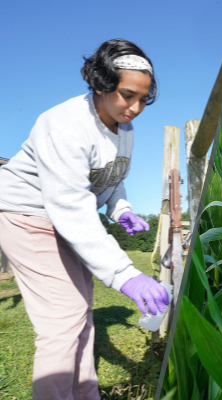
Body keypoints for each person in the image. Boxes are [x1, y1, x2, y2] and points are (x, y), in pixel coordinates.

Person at [0, 39, 170, 400]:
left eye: (144, 98)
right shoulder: (64, 124)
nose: (136, 108)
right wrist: (126, 275)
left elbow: (113, 178)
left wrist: (120, 209)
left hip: (62, 215)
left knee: (80, 313)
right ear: (101, 83)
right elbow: (70, 206)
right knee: (62, 320)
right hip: (26, 214)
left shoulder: (124, 128)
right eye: (127, 95)